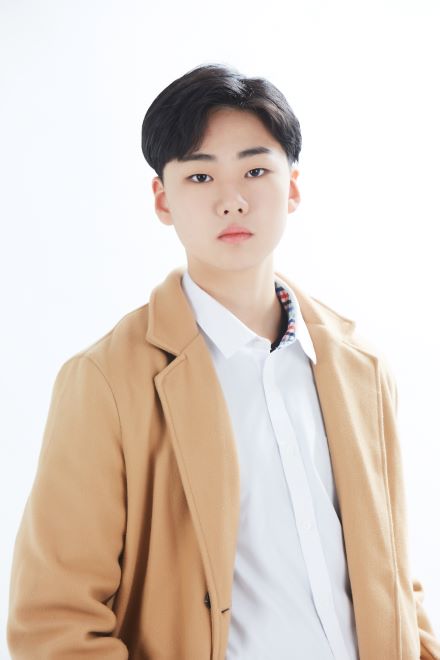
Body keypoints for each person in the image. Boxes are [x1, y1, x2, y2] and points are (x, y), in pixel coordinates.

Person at [7, 62, 440, 660]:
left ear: (292, 187)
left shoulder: (359, 368)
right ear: (163, 199)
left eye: (255, 171)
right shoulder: (105, 381)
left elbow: (391, 579)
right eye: (200, 176)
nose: (232, 201)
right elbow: (53, 623)